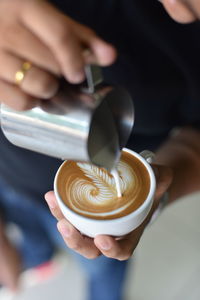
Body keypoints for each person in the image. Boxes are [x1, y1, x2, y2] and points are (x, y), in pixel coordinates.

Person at [0, 0, 199, 299]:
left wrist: (154, 199)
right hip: (7, 170)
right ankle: (39, 257)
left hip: (93, 227)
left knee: (102, 269)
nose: (182, 12)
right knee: (27, 230)